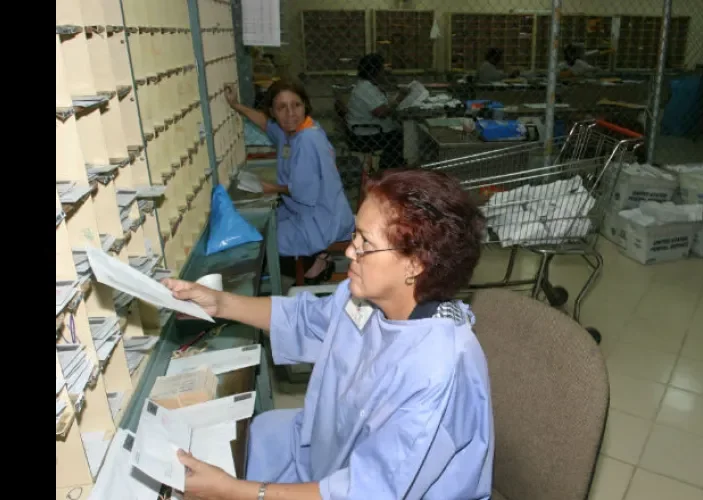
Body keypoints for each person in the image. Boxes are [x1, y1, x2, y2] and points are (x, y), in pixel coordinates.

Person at [164, 168, 495, 500]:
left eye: (366, 244)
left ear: (414, 264)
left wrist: (234, 491)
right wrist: (219, 303)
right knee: (242, 438)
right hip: (329, 454)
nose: (350, 251)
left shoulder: (436, 369)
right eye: (355, 236)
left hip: (363, 489)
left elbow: (366, 491)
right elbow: (304, 320)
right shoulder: (369, 300)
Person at [226, 79, 355, 284]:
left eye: (296, 105)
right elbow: (266, 125)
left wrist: (269, 188)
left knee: (262, 241)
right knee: (270, 225)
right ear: (273, 112)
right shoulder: (296, 130)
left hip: (321, 220)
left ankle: (315, 265)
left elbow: (304, 192)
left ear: (305, 106)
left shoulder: (306, 140)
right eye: (281, 107)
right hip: (316, 212)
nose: (290, 113)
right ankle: (316, 260)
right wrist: (236, 105)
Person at [346, 53, 408, 171]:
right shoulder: (366, 88)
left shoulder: (368, 85)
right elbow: (381, 112)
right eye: (382, 69)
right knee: (399, 136)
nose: (385, 71)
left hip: (367, 130)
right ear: (375, 71)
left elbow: (381, 103)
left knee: (400, 130)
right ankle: (388, 170)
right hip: (366, 135)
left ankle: (392, 167)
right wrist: (400, 98)